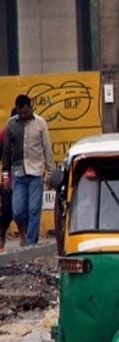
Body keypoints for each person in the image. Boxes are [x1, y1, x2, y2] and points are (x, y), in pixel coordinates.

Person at [1, 94, 54, 247]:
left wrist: (50, 172)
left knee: (34, 210)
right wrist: (5, 174)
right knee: (17, 210)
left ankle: (31, 243)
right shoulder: (11, 124)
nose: (23, 116)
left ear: (31, 108)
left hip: (36, 172)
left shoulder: (40, 124)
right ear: (16, 110)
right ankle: (25, 234)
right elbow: (6, 151)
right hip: (18, 173)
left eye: (26, 112)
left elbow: (47, 148)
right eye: (20, 113)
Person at [0, 108, 12, 252]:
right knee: (7, 210)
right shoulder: (4, 135)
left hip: (20, 176)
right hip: (7, 178)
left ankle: (25, 238)